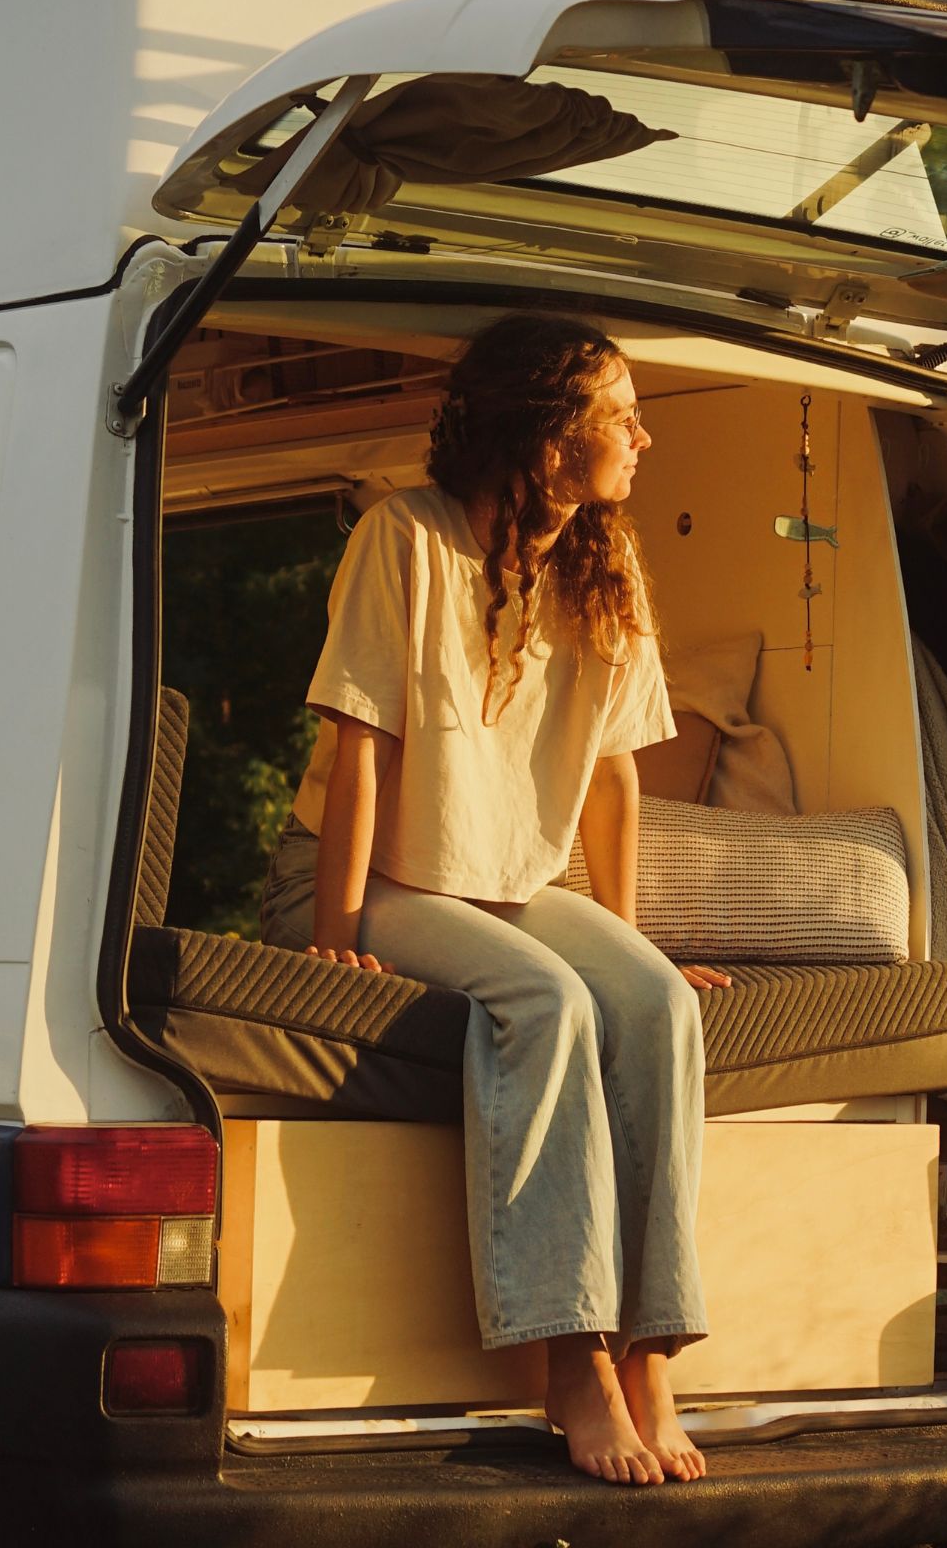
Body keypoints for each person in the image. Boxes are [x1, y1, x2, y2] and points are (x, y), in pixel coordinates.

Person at [258, 313, 729, 1485]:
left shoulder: (602, 567)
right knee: (548, 1004)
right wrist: (329, 942)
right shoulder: (402, 539)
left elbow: (614, 779)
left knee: (657, 1005)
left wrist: (636, 943)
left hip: (499, 883)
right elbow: (360, 743)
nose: (644, 437)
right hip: (362, 873)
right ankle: (569, 1354)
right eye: (621, 414)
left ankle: (649, 1352)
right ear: (546, 432)